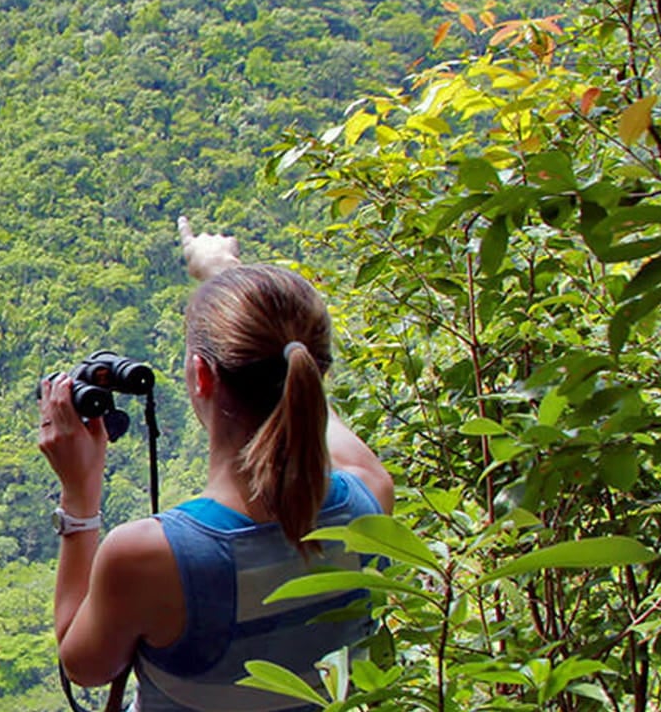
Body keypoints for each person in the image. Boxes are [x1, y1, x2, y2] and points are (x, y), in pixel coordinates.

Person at [38, 219, 394, 710]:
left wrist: (79, 495)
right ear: (313, 370)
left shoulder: (148, 557)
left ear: (201, 375)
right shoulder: (368, 505)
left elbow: (86, 667)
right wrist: (230, 280)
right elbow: (303, 386)